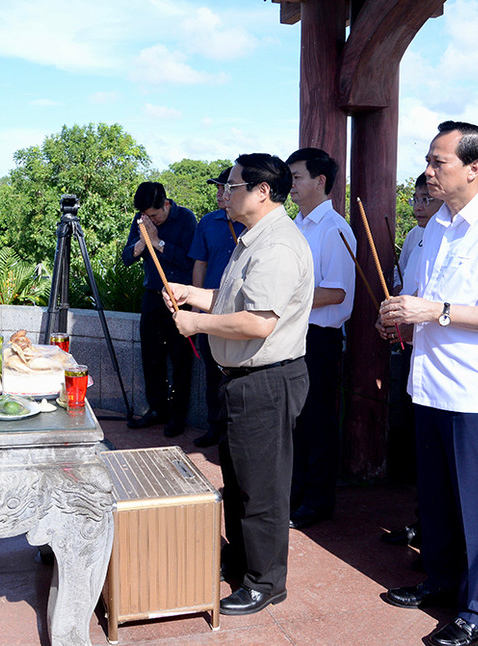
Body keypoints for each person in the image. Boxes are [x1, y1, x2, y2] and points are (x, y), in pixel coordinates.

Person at [378, 121, 478, 646]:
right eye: (428, 160)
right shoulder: (435, 227)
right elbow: (426, 302)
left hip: (475, 394)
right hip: (428, 385)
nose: (427, 171)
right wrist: (402, 318)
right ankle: (441, 579)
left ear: (473, 168)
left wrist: (435, 311)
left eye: (438, 162)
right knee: (437, 498)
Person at [163, 153, 313, 616]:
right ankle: (244, 562)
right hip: (243, 379)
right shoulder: (253, 238)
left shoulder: (277, 246)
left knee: (261, 487)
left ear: (262, 191)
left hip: (265, 380)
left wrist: (196, 324)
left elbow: (258, 322)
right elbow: (232, 302)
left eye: (232, 186)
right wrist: (193, 295)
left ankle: (265, 581)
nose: (224, 194)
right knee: (240, 479)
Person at [286, 147, 355, 529]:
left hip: (319, 339)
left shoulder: (334, 229)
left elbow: (337, 292)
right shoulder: (294, 226)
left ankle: (317, 501)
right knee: (295, 421)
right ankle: (295, 493)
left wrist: (284, 300)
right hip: (293, 334)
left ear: (320, 181)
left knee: (317, 421)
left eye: (297, 177)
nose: (291, 184)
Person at [382, 173, 443, 547]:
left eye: (426, 198)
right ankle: (423, 521)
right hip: (414, 347)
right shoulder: (416, 236)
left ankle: (435, 533)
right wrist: (392, 314)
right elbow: (404, 286)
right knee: (419, 441)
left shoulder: (449, 234)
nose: (419, 205)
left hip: (440, 352)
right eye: (415, 198)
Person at [122, 182, 196, 437]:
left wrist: (157, 241)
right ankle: (156, 409)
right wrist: (142, 243)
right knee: (151, 357)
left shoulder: (185, 218)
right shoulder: (141, 220)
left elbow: (189, 260)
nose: (150, 219)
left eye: (154, 215)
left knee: (180, 359)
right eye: (146, 215)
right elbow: (126, 258)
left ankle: (177, 416)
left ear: (166, 204)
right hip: (153, 297)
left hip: (179, 299)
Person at [188, 167, 245, 448]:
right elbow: (200, 263)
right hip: (211, 309)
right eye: (219, 189)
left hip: (241, 311)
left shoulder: (251, 223)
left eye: (226, 188)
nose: (221, 194)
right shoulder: (208, 222)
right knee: (212, 375)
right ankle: (214, 427)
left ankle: (234, 433)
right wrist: (196, 305)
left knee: (237, 376)